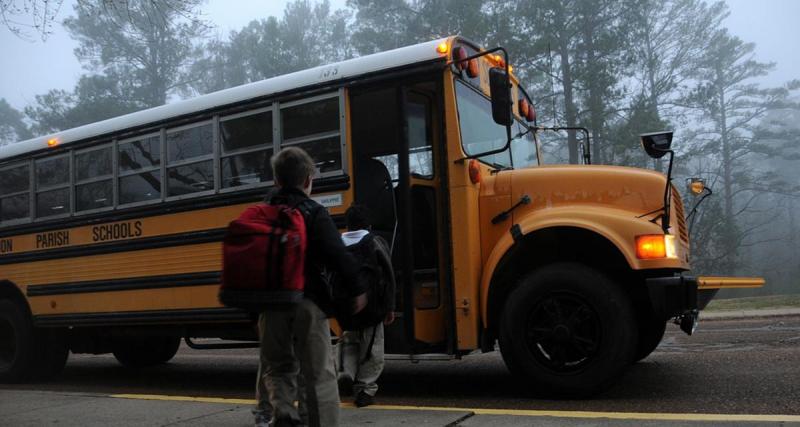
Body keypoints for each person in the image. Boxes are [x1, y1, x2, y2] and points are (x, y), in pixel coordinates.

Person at [255, 147, 367, 427]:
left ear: (276, 181)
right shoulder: (313, 212)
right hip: (307, 301)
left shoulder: (260, 213)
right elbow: (337, 254)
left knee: (277, 367)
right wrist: (357, 289)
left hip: (270, 305)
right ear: (307, 180)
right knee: (318, 373)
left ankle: (283, 412)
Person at [336, 204, 396, 408]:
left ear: (347, 224)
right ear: (368, 224)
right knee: (372, 348)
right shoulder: (375, 242)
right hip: (373, 308)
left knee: (349, 342)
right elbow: (388, 276)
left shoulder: (338, 244)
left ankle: (346, 373)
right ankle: (365, 390)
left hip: (347, 309)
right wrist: (389, 307)